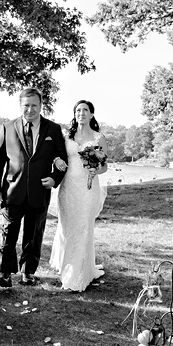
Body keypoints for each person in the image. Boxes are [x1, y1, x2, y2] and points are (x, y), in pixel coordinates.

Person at [0, 87, 68, 288]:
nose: (30, 110)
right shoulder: (7, 127)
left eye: (34, 105)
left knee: (34, 235)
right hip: (12, 191)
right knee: (9, 233)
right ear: (20, 106)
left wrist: (54, 178)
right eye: (26, 105)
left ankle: (28, 272)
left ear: (41, 106)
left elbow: (62, 158)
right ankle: (5, 273)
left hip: (40, 191)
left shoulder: (53, 129)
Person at [48, 100, 108, 291]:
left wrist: (96, 171)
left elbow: (104, 165)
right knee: (67, 227)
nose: (81, 113)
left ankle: (78, 275)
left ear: (92, 114)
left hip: (88, 189)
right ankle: (66, 264)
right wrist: (57, 160)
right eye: (78, 110)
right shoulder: (67, 136)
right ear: (74, 114)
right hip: (68, 188)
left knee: (83, 227)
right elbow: (56, 155)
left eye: (85, 110)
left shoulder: (99, 138)